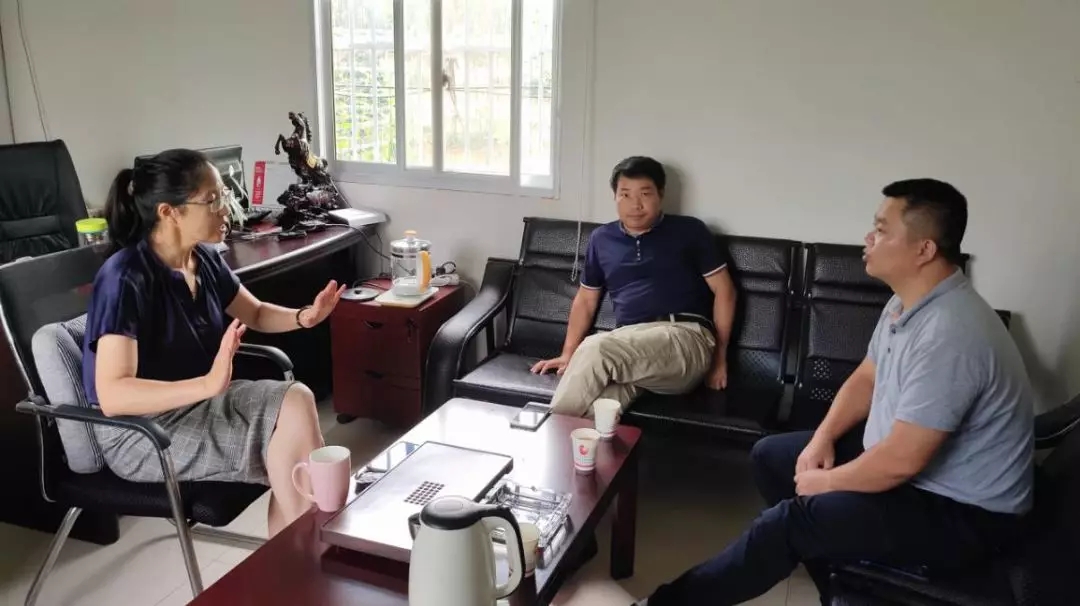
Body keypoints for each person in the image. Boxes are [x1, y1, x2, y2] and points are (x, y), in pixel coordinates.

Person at [633, 178, 1034, 605]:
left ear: (924, 250)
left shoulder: (951, 332)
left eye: (881, 229)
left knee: (789, 522)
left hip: (963, 513)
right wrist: (822, 438)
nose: (868, 238)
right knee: (773, 457)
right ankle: (840, 570)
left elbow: (903, 460)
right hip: (918, 473)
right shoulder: (908, 301)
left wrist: (826, 483)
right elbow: (866, 378)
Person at [84, 149, 346, 537]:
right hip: (139, 431)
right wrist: (207, 384)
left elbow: (255, 313)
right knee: (290, 449)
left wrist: (303, 316)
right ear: (169, 212)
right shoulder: (125, 277)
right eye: (213, 199)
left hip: (197, 402)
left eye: (224, 195)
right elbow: (114, 395)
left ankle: (298, 554)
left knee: (297, 399)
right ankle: (304, 554)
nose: (227, 207)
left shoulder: (202, 259)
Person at [531, 156, 737, 415]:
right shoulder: (601, 239)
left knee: (596, 348)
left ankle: (547, 432)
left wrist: (719, 359)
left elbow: (725, 291)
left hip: (684, 338)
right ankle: (570, 440)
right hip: (631, 347)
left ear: (661, 194)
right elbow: (586, 300)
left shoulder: (690, 231)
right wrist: (567, 353)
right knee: (598, 410)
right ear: (615, 197)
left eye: (645, 194)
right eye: (625, 194)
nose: (635, 204)